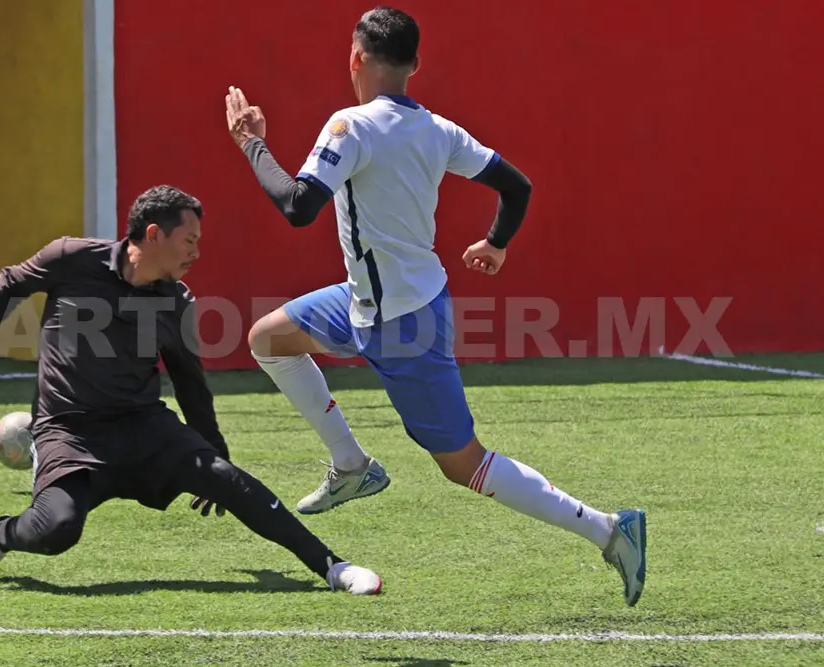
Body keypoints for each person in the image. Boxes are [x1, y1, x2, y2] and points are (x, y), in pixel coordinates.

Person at [224, 7, 646, 606]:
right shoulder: (437, 129)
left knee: (463, 464)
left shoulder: (350, 126)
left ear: (355, 58)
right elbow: (516, 187)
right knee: (269, 337)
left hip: (401, 323)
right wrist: (497, 244)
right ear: (415, 65)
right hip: (373, 302)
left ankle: (608, 528)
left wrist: (252, 144)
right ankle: (352, 464)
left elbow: (298, 206)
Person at [0, 185, 382, 595]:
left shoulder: (175, 300)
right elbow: (11, 282)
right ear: (154, 234)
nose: (197, 252)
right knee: (55, 530)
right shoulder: (71, 258)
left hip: (143, 427)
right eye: (190, 240)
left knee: (231, 481)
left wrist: (212, 452)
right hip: (68, 432)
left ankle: (333, 567)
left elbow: (188, 379)